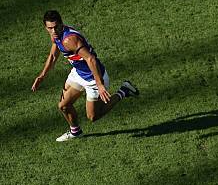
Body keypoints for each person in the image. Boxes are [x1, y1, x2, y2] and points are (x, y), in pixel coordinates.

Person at [31, 10, 139, 141]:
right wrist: (42, 76)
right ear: (45, 27)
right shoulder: (55, 35)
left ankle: (123, 91)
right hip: (78, 73)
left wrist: (99, 84)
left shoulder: (69, 40)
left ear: (61, 24)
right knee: (63, 106)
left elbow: (91, 59)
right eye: (50, 28)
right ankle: (75, 132)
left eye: (55, 27)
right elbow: (53, 55)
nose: (53, 31)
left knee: (93, 116)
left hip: (93, 77)